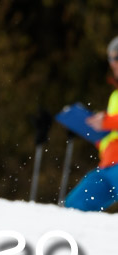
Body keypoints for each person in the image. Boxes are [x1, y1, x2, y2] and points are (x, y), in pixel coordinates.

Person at [64, 36, 118, 211]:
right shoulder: (115, 96)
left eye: (117, 58)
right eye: (111, 58)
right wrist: (90, 130)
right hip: (107, 167)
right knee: (74, 206)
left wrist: (107, 122)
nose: (113, 63)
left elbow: (111, 123)